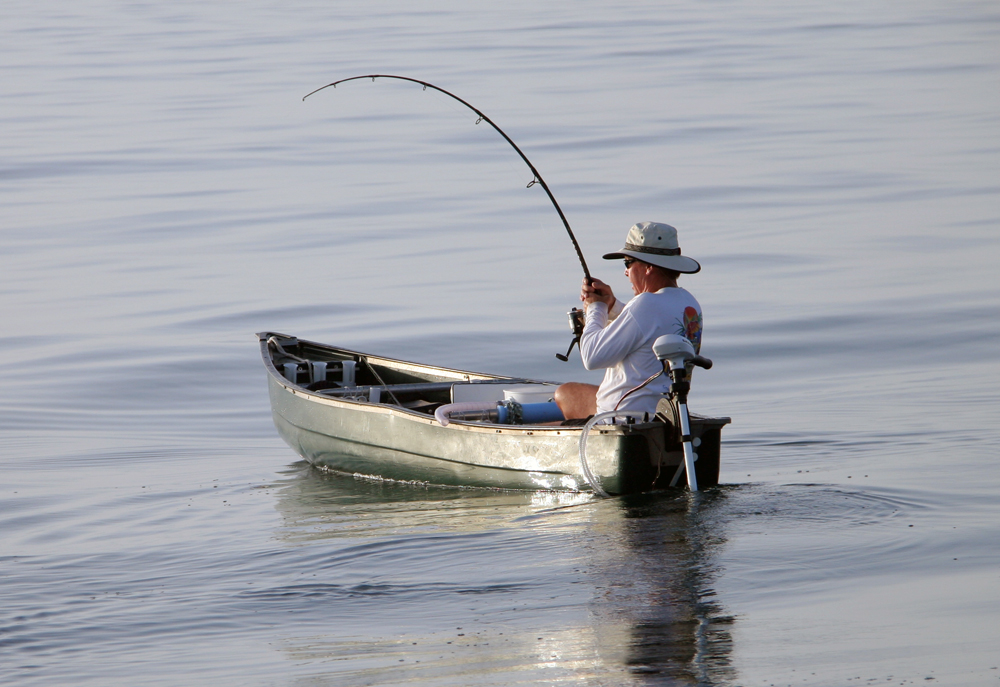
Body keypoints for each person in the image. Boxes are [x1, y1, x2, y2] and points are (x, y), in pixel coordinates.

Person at [554, 221, 702, 421]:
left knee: (564, 395)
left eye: (628, 263)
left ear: (648, 267)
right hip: (667, 416)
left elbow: (591, 357)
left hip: (623, 420)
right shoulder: (689, 304)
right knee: (567, 393)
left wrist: (595, 308)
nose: (626, 272)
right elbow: (648, 328)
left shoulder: (645, 303)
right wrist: (611, 305)